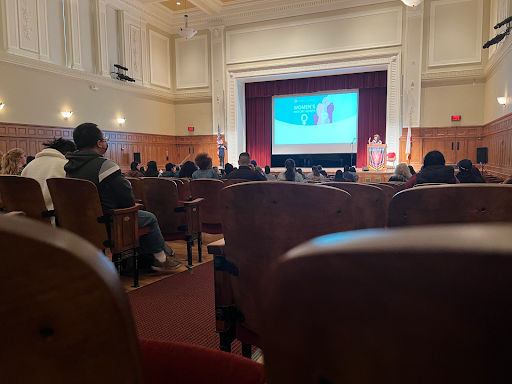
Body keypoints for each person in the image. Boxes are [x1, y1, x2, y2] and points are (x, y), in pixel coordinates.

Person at [64, 122, 180, 271]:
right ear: (99, 143)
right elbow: (127, 198)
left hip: (78, 221)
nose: (105, 143)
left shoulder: (69, 167)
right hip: (109, 220)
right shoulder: (105, 165)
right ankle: (161, 260)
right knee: (149, 218)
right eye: (104, 140)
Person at [21, 138, 76, 223]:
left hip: (29, 220)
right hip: (55, 222)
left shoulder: (29, 165)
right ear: (68, 153)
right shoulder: (65, 165)